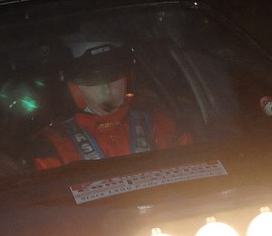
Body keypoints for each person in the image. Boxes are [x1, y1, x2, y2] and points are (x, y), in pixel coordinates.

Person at [33, 43, 189, 169]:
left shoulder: (160, 124)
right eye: (93, 80)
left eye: (114, 76)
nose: (107, 89)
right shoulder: (51, 144)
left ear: (127, 79)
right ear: (73, 87)